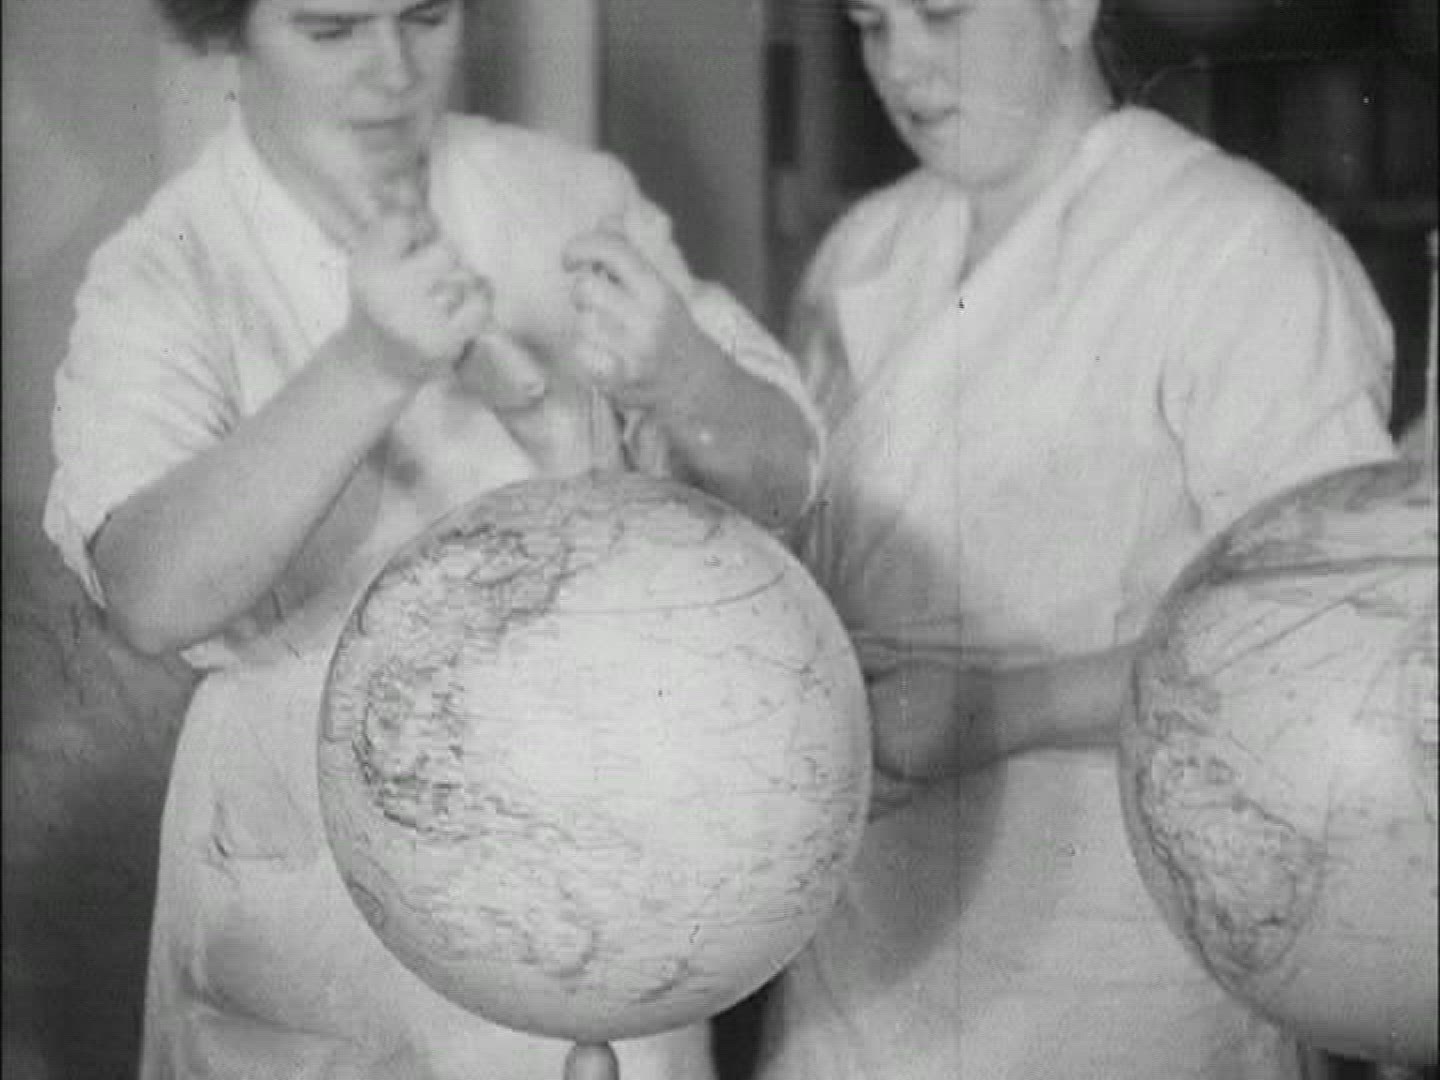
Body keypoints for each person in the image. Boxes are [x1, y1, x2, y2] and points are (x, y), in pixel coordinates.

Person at [41, 1, 822, 1077]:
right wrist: (367, 366)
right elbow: (148, 594)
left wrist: (689, 376)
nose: (393, 70)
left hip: (592, 847)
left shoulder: (565, 196)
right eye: (332, 30)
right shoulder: (169, 267)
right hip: (308, 896)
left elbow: (787, 477)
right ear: (232, 30)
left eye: (424, 16)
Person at [755, 0, 1399, 1077]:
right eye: (871, 23)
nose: (902, 65)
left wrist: (1002, 711)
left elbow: (1320, 638)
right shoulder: (866, 249)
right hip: (865, 956)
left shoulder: (1241, 250)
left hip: (1113, 959)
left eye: (940, 14)